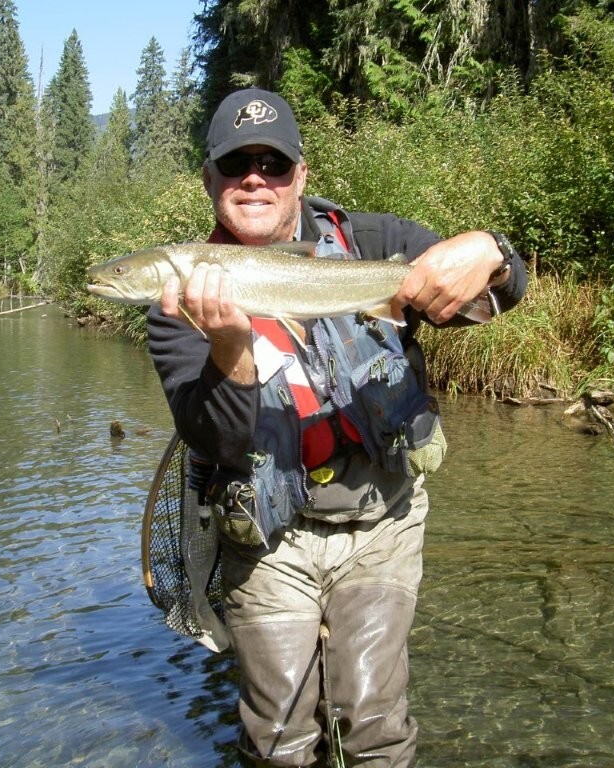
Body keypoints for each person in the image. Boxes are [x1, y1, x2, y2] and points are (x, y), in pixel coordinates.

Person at [147, 88, 527, 767]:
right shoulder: (179, 298)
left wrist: (490, 252)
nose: (255, 178)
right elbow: (220, 443)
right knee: (279, 741)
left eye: (273, 163)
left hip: (382, 519)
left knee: (374, 724)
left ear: (302, 175)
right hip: (266, 537)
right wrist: (229, 350)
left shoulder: (374, 243)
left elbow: (497, 291)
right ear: (209, 180)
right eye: (236, 166)